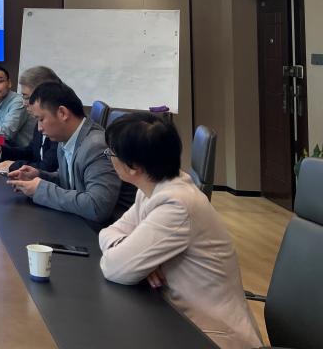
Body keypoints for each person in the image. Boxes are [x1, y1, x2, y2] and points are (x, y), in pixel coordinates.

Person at [99, 113, 262, 349]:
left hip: (211, 336)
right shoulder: (151, 190)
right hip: (177, 321)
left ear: (133, 166)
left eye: (111, 153)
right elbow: (109, 232)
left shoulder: (175, 205)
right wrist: (135, 257)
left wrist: (132, 258)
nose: (109, 158)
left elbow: (114, 268)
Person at [6, 81, 133, 226]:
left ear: (62, 113)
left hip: (104, 232)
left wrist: (40, 190)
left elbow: (97, 207)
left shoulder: (96, 146)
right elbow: (73, 183)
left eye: (41, 119)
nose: (39, 128)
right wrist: (39, 176)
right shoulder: (65, 139)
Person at [0, 65, 60, 172]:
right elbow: (30, 152)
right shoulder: (40, 121)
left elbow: (47, 168)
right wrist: (0, 151)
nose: (24, 103)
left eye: (27, 97)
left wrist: (14, 165)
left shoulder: (58, 125)